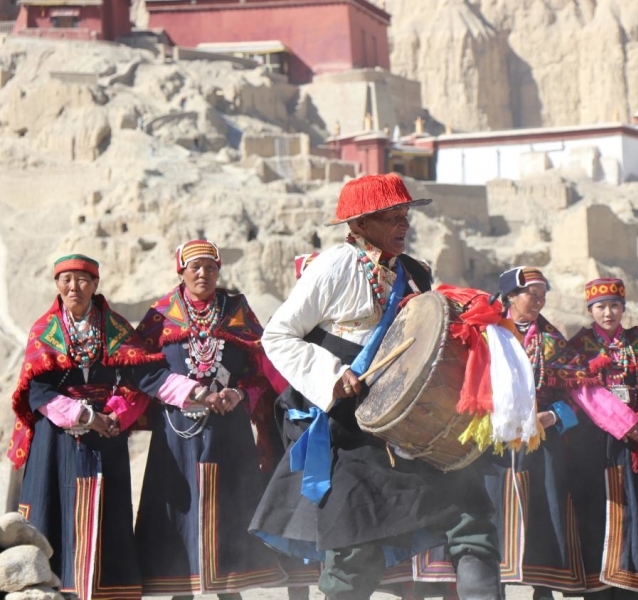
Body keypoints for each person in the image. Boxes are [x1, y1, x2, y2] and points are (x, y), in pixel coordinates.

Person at [252, 173, 502, 600]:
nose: (403, 224)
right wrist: (333, 374)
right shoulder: (334, 266)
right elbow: (278, 335)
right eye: (392, 216)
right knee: (353, 545)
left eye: (405, 214)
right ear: (359, 224)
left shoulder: (415, 272)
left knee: (469, 515)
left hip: (407, 421)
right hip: (347, 429)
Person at [8, 254, 217, 600]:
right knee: (53, 513)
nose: (74, 287)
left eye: (82, 280)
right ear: (57, 285)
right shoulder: (43, 330)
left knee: (108, 520)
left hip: (106, 434)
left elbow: (146, 375)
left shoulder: (114, 328)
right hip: (56, 440)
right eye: (66, 280)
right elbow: (37, 391)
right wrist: (84, 416)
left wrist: (196, 393)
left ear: (95, 284)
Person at [134, 239, 287, 599]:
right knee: (181, 510)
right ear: (181, 272)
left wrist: (239, 394)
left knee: (229, 513)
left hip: (229, 432)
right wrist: (193, 392)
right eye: (195, 267)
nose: (203, 273)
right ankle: (182, 589)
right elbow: (142, 370)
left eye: (211, 267)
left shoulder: (236, 311)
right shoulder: (160, 315)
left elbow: (259, 368)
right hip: (178, 435)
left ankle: (229, 589)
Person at [487, 266, 584, 599]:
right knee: (495, 512)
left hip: (542, 443)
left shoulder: (553, 342)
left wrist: (553, 417)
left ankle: (543, 589)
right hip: (496, 442)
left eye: (543, 294)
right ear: (511, 296)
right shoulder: (489, 334)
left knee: (544, 510)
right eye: (533, 294)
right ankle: (494, 588)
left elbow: (578, 396)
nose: (540, 300)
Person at [565, 278, 638, 600]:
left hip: (631, 443)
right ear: (590, 310)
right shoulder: (579, 345)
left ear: (623, 308)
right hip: (592, 443)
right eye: (601, 307)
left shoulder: (636, 342)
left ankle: (631, 586)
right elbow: (579, 392)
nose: (608, 313)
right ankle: (597, 587)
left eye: (614, 305)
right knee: (596, 509)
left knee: (634, 508)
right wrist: (624, 422)